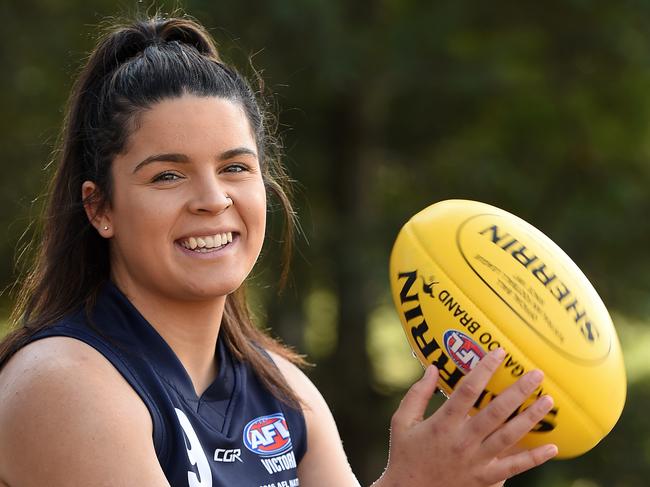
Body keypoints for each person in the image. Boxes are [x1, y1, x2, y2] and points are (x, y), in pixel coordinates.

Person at [0, 14, 557, 487]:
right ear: (100, 209)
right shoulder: (60, 384)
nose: (213, 200)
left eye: (235, 168)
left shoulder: (283, 391)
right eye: (168, 175)